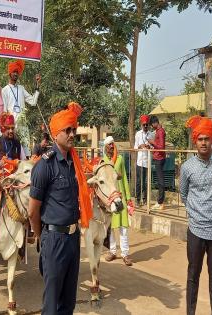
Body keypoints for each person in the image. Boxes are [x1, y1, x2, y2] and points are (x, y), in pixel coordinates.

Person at [28, 102, 92, 315]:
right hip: (54, 239)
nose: (72, 134)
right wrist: (43, 237)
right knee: (52, 305)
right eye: (68, 130)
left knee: (68, 302)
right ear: (56, 134)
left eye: (74, 129)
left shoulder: (75, 164)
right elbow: (32, 211)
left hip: (73, 240)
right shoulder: (44, 166)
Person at [180, 116, 212, 315]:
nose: (204, 142)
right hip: (195, 230)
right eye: (200, 139)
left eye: (207, 139)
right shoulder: (187, 168)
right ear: (195, 141)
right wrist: (195, 213)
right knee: (193, 275)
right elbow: (183, 194)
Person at [102, 136, 134, 266]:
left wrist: (128, 198)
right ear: (105, 147)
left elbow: (124, 178)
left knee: (123, 228)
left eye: (112, 144)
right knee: (111, 227)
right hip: (110, 199)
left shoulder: (120, 159)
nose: (111, 146)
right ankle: (112, 251)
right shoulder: (103, 161)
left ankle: (125, 254)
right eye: (109, 144)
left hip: (120, 197)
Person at [148, 115, 166, 210]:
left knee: (160, 181)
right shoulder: (158, 131)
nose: (151, 127)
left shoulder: (160, 132)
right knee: (160, 180)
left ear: (155, 123)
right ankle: (160, 201)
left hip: (159, 158)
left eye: (152, 125)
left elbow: (161, 146)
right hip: (158, 157)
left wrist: (152, 142)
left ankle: (160, 202)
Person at [134, 115, 151, 206]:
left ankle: (145, 199)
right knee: (139, 181)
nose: (145, 126)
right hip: (140, 161)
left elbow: (153, 147)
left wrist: (149, 146)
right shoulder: (138, 134)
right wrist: (139, 146)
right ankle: (137, 199)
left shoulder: (151, 134)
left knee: (145, 181)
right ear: (141, 125)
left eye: (147, 125)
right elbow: (135, 147)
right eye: (144, 125)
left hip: (147, 161)